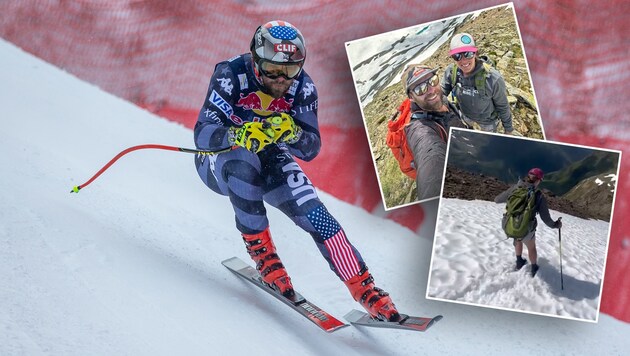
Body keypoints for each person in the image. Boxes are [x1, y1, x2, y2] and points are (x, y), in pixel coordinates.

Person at [193, 20, 400, 321]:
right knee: (243, 161)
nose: (281, 79)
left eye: (290, 71)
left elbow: (310, 148)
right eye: (273, 70)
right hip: (219, 158)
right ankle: (264, 255)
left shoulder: (303, 87)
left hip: (270, 153)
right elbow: (202, 132)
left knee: (314, 212)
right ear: (255, 59)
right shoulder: (231, 75)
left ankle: (363, 286)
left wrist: (291, 131)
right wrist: (236, 135)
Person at [401, 64, 469, 200]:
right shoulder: (420, 130)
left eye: (432, 81)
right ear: (411, 97)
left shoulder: (440, 99)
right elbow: (430, 157)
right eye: (420, 89)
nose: (431, 90)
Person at [441, 33, 519, 135]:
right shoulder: (451, 72)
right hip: (465, 117)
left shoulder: (492, 78)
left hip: (488, 123)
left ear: (475, 53)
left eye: (468, 54)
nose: (463, 60)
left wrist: (508, 129)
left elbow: (503, 106)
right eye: (457, 56)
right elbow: (442, 92)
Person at [494, 168, 562, 277]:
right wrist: (555, 225)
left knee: (517, 239)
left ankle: (519, 261)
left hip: (510, 224)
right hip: (527, 228)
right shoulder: (538, 196)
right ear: (538, 180)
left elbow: (497, 200)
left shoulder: (516, 188)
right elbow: (546, 218)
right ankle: (534, 267)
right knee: (531, 247)